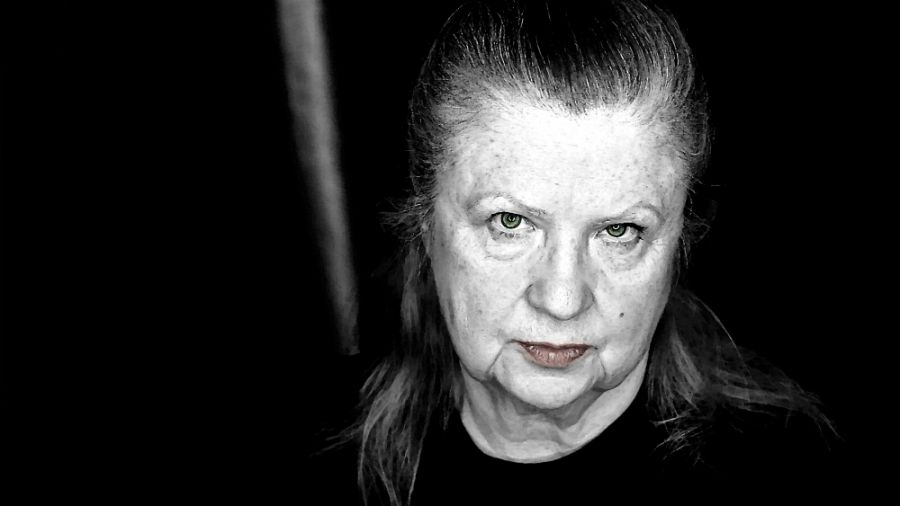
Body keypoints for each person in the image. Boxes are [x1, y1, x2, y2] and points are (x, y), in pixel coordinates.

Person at [310, 0, 843, 503]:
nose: (562, 300)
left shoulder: (788, 475)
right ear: (424, 221)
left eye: (619, 231)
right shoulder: (315, 450)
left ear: (683, 236)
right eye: (510, 222)